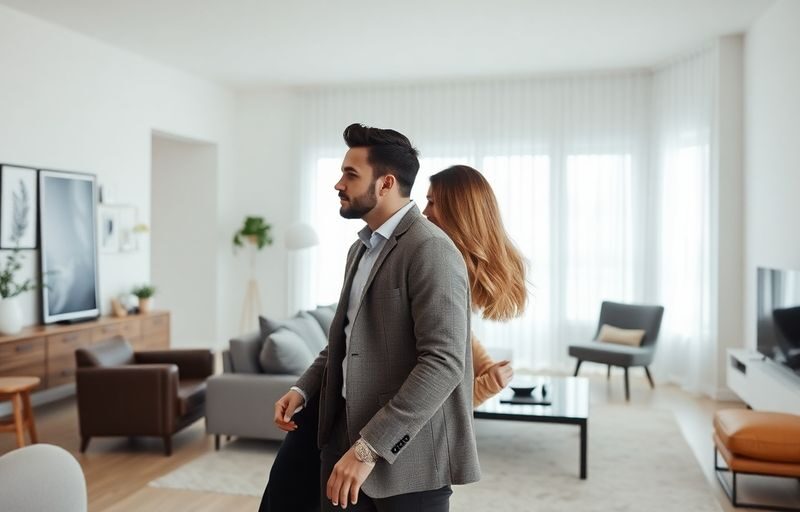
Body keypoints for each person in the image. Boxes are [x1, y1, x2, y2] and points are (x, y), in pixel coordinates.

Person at [259, 163, 528, 512]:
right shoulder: (367, 250)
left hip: (398, 447)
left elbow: (445, 360)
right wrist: (303, 388)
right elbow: (347, 339)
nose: (426, 211)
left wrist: (368, 447)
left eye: (434, 203)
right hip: (337, 424)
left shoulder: (435, 253)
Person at [423, 165, 528, 406]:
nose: (424, 211)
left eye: (432, 202)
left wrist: (486, 367)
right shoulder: (438, 261)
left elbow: (458, 329)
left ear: (457, 211)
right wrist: (488, 383)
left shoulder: (448, 262)